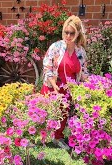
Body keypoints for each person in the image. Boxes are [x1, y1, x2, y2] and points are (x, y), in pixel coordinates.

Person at [41, 15, 89, 150]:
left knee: (63, 114)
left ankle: (58, 138)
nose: (68, 35)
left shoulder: (80, 52)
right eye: (66, 32)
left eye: (71, 33)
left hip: (68, 89)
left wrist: (91, 85)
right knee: (49, 113)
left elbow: (84, 71)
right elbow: (47, 66)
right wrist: (54, 85)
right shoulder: (56, 47)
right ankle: (43, 136)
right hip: (53, 86)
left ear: (77, 33)